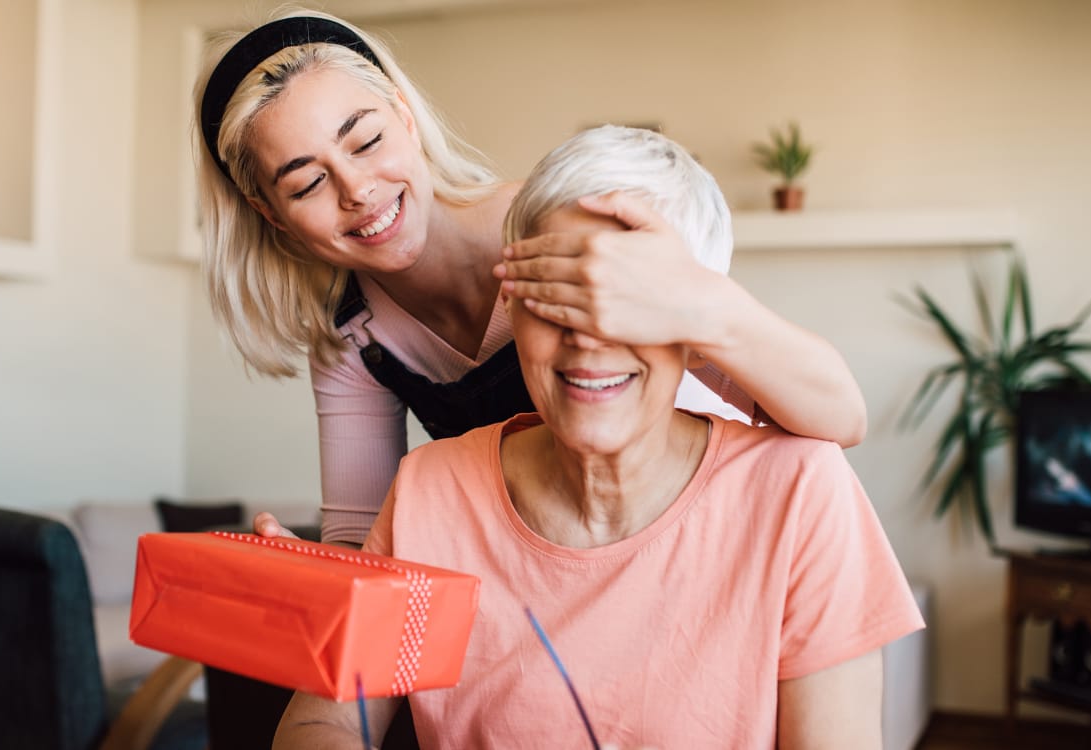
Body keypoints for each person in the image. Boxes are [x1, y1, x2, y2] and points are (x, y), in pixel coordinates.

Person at [271, 125, 923, 749]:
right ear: (513, 308)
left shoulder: (801, 492)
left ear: (700, 334)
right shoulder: (429, 491)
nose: (588, 336)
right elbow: (324, 723)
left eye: (629, 304)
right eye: (558, 296)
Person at [196, 9, 868, 547]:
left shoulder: (564, 227)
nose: (358, 190)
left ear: (404, 116)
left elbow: (838, 416)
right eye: (309, 182)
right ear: (271, 214)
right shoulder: (355, 338)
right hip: (562, 558)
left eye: (367, 141)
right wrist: (317, 572)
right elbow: (368, 536)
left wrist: (691, 298)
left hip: (712, 528)